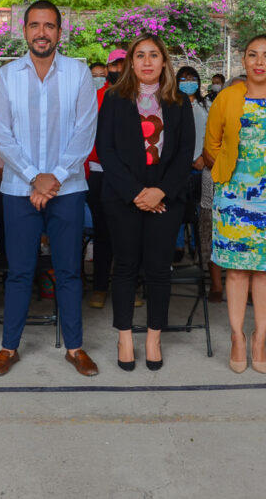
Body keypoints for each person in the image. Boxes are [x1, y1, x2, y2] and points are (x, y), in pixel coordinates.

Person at [0, 0, 100, 377]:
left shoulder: (78, 74)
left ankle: (75, 348)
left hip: (68, 189)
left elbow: (85, 131)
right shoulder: (7, 77)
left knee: (69, 271)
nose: (41, 32)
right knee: (19, 271)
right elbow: (1, 133)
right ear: (24, 31)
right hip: (19, 189)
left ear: (59, 32)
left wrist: (54, 177)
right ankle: (9, 348)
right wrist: (36, 176)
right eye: (35, 25)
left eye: (49, 26)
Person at [205, 35, 266, 374]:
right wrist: (233, 176)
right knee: (235, 271)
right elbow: (211, 145)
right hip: (233, 194)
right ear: (244, 60)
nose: (259, 62)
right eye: (252, 55)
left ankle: (260, 337)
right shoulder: (226, 98)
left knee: (265, 272)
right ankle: (237, 336)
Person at [97, 35, 194, 371]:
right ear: (131, 62)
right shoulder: (115, 98)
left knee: (158, 269)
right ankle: (124, 337)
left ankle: (154, 338)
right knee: (124, 267)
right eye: (140, 55)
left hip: (166, 197)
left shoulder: (179, 101)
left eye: (154, 55)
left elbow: (185, 153)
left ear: (164, 61)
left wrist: (160, 192)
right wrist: (137, 193)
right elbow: (105, 150)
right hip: (124, 195)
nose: (147, 61)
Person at [85, 48, 126, 309]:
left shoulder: (138, 97)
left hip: (128, 175)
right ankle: (99, 286)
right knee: (102, 232)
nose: (117, 70)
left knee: (128, 233)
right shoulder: (94, 97)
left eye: (122, 65)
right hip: (99, 172)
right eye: (114, 65)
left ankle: (128, 286)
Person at [175, 65, 216, 299]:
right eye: (183, 78)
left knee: (201, 210)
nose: (188, 82)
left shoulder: (207, 105)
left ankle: (198, 248)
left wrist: (203, 157)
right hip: (180, 167)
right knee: (178, 206)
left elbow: (213, 133)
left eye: (192, 78)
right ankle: (178, 245)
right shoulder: (171, 104)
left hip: (202, 165)